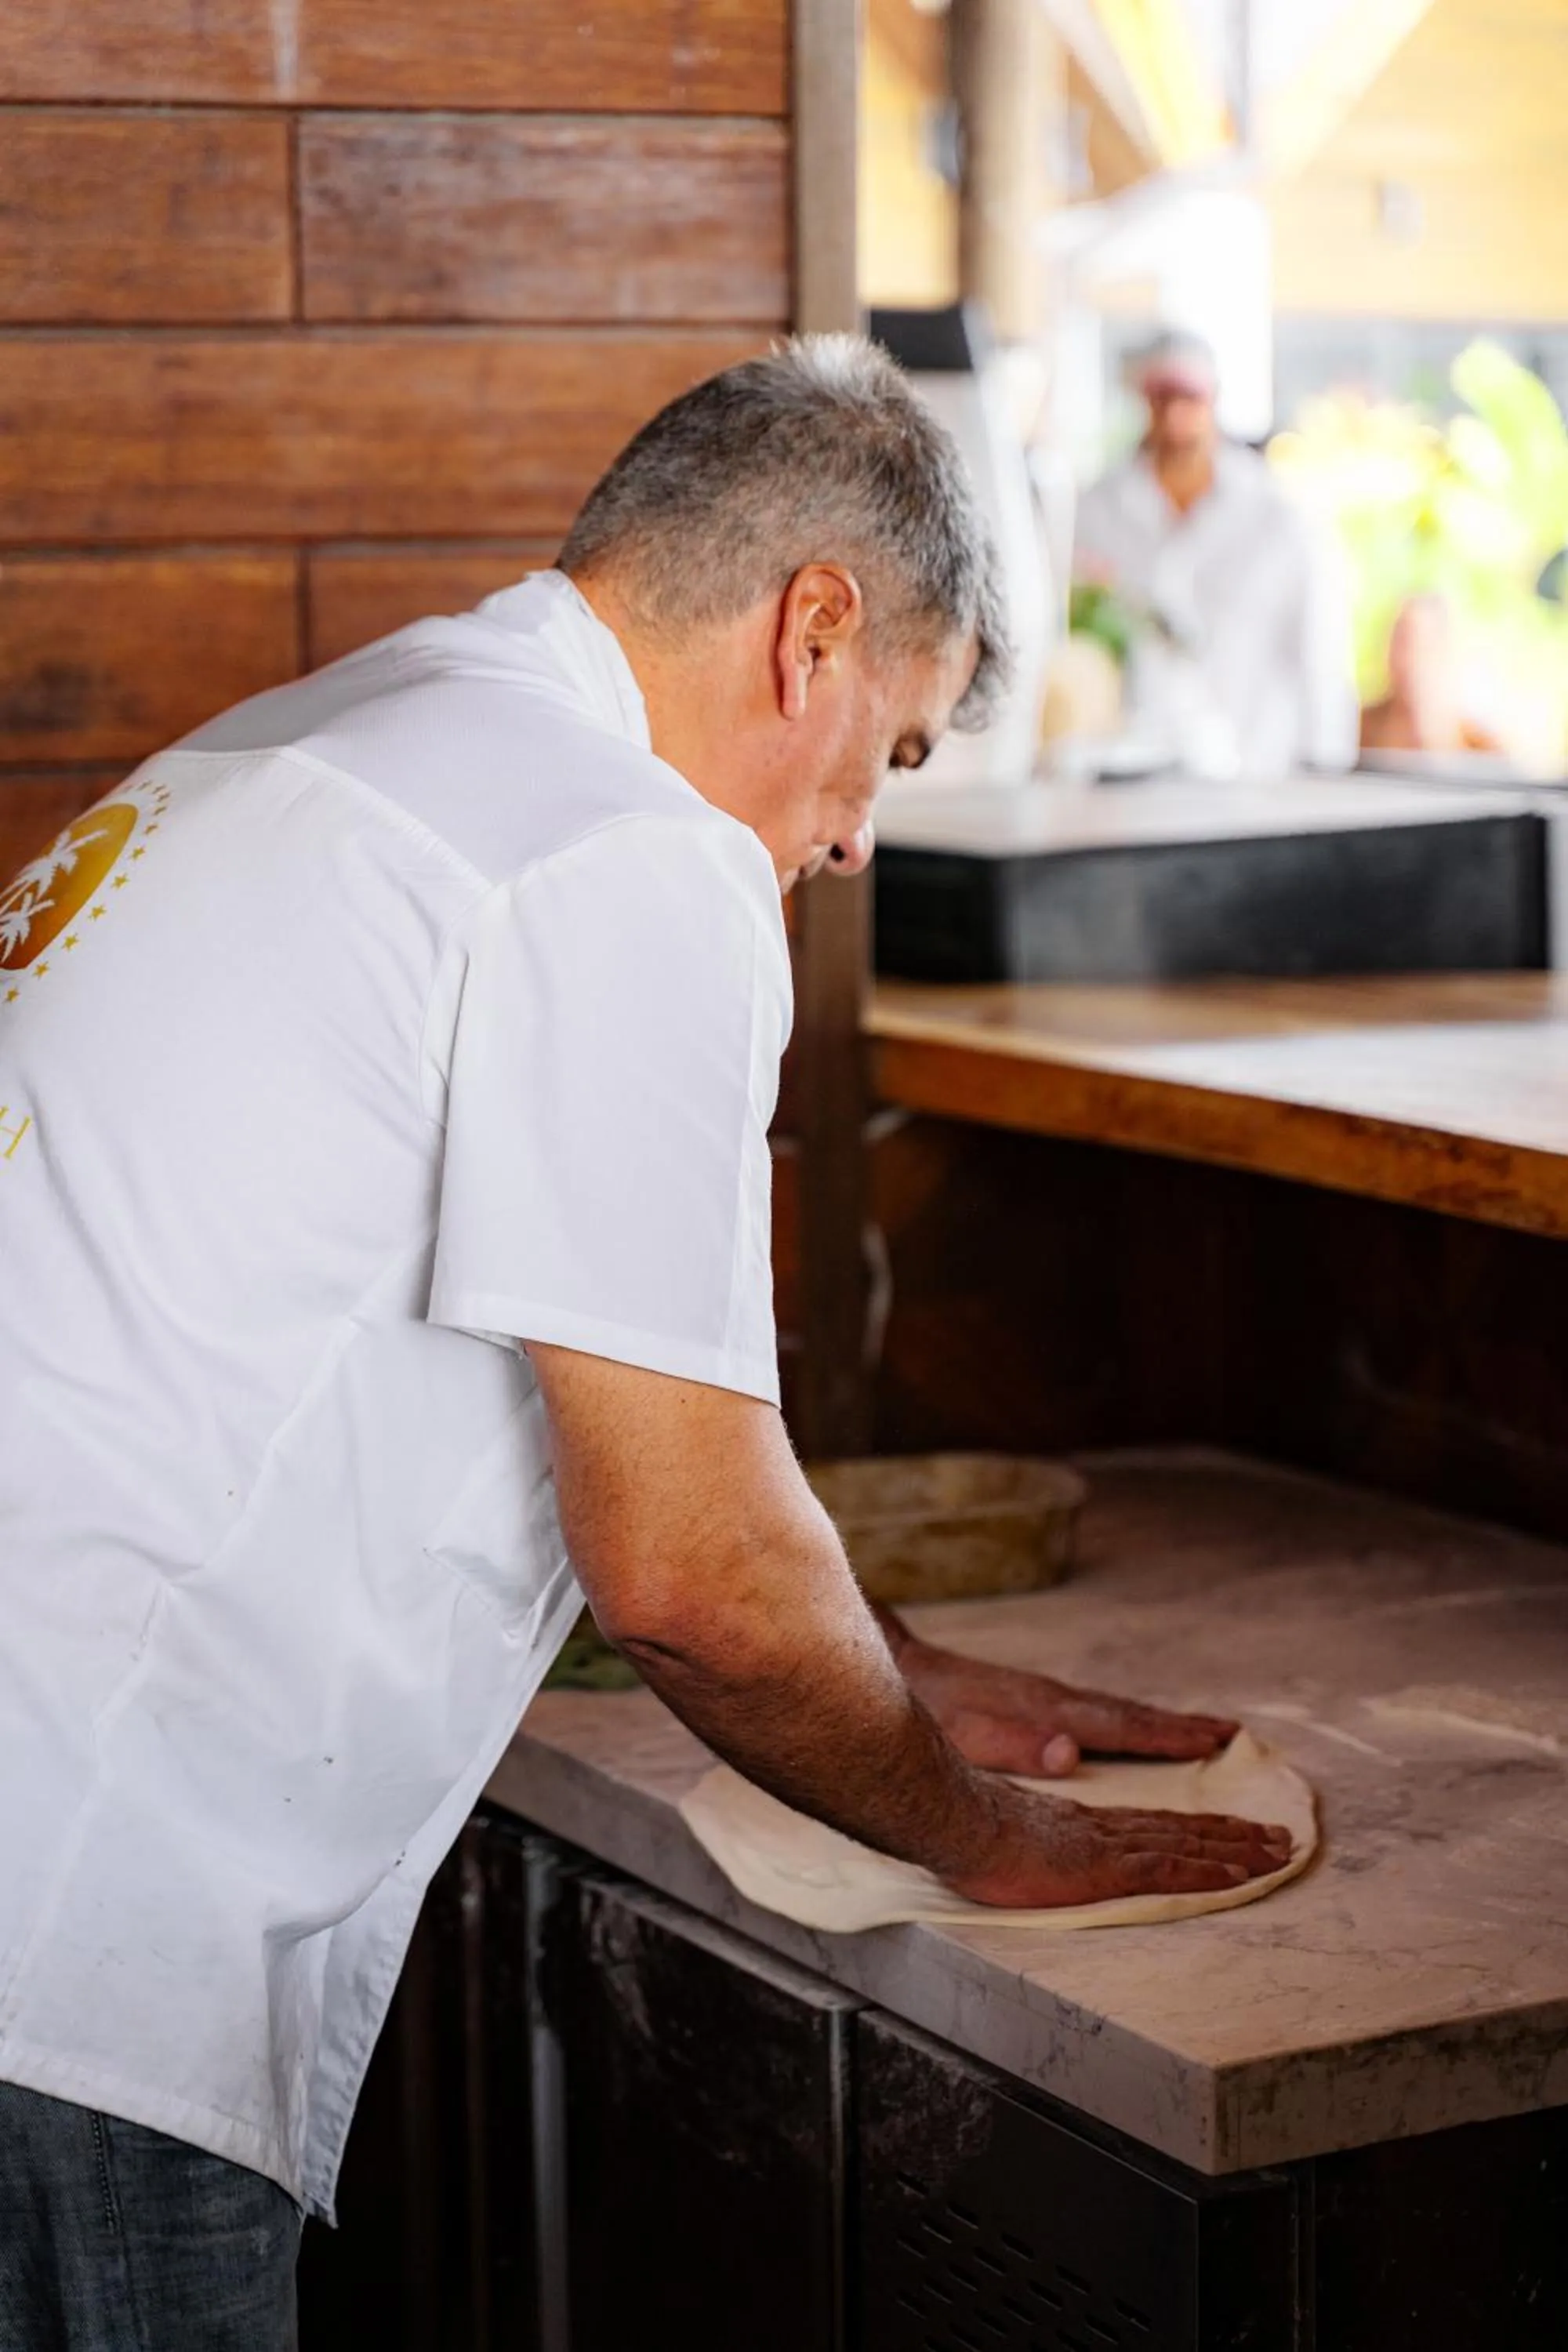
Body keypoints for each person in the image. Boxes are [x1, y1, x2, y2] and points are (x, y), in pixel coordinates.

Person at [0, 337, 1287, 2347]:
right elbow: (692, 1578)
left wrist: (895, 1671)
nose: (856, 840)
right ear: (813, 629)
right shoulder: (624, 847)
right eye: (896, 753)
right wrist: (988, 1834)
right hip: (65, 1929)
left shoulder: (324, 739)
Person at [1073, 328, 1357, 778]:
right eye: (1161, 397)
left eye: (1189, 397)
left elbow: (1319, 658)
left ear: (1215, 398)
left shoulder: (1279, 519)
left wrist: (1326, 767)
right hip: (1131, 774)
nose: (1175, 416)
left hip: (1256, 773)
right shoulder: (1095, 512)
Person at [1359, 593, 1504, 758]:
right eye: (1400, 643)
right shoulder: (1358, 732)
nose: (1407, 659)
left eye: (1421, 645)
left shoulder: (1483, 748)